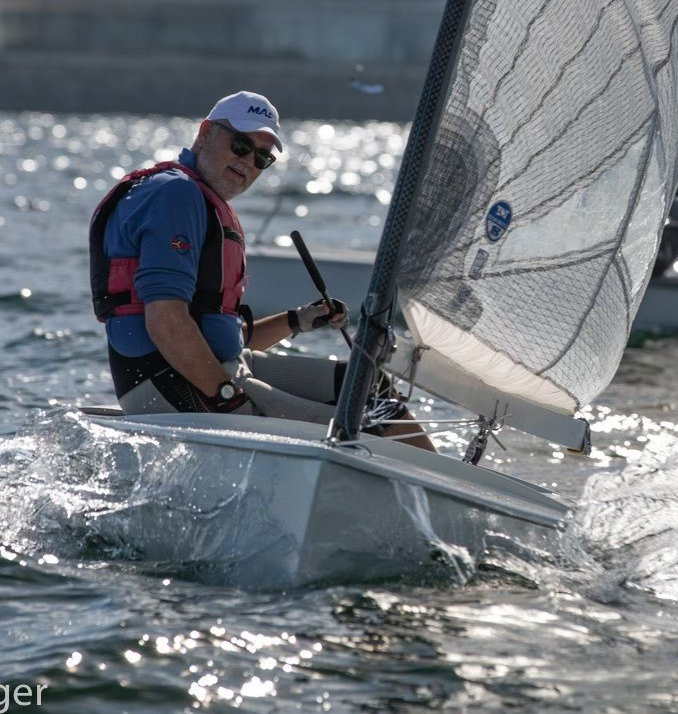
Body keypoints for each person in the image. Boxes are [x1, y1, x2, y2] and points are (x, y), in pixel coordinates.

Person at [88, 91, 432, 449]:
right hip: (170, 377)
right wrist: (226, 395)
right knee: (363, 429)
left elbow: (221, 339)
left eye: (261, 157)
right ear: (205, 134)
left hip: (218, 367)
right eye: (240, 145)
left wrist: (298, 320)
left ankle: (441, 481)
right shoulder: (177, 194)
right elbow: (166, 323)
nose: (248, 162)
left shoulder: (201, 199)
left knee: (370, 389)